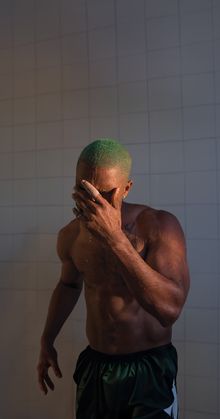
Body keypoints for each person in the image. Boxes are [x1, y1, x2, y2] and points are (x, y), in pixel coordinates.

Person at [37, 138, 190, 418]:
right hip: (97, 368)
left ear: (127, 188)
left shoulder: (159, 226)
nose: (93, 202)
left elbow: (169, 310)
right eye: (84, 191)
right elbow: (69, 285)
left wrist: (115, 238)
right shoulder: (70, 236)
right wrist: (47, 338)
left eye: (105, 194)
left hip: (148, 371)